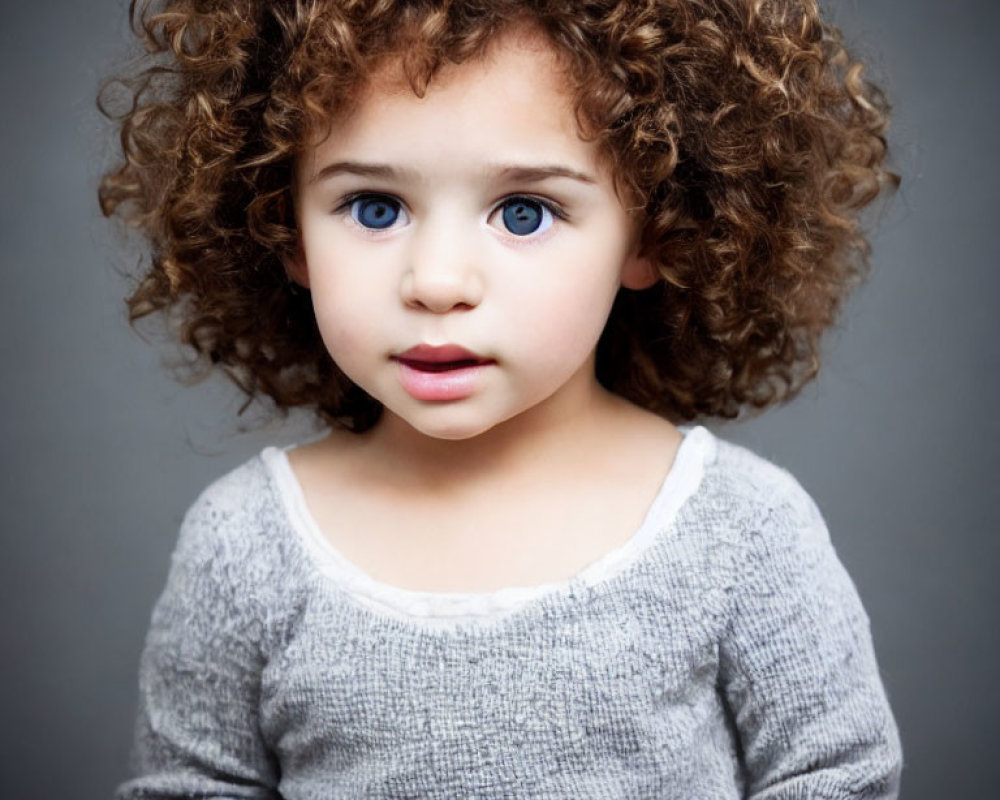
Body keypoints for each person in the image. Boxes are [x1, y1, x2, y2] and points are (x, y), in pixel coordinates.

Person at [101, 0, 903, 797]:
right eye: (374, 208)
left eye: (524, 213)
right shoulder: (245, 547)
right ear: (284, 231)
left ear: (656, 231)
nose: (438, 281)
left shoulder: (740, 530)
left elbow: (838, 777)